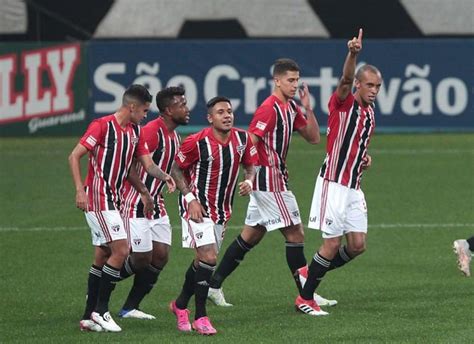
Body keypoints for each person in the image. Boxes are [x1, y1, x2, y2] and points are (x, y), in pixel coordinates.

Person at [207, 58, 335, 308]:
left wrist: (308, 109)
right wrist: (247, 176)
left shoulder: (291, 107)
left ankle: (213, 285)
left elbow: (314, 138)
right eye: (290, 80)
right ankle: (307, 294)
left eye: (297, 80)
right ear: (277, 81)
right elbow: (251, 142)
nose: (295, 84)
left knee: (251, 236)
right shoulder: (269, 108)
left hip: (276, 177)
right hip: (267, 179)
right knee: (296, 233)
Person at [68, 84, 175, 332]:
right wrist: (79, 189)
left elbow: (142, 166)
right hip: (97, 197)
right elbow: (74, 156)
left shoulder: (134, 132)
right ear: (132, 107)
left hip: (113, 200)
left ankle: (87, 317)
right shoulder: (102, 126)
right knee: (122, 249)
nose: (146, 115)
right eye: (145, 110)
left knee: (103, 254)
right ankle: (101, 311)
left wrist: (161, 179)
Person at [295, 28, 382, 316]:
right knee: (331, 243)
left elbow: (355, 146)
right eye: (369, 85)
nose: (373, 90)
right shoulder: (343, 104)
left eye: (377, 86)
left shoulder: (369, 113)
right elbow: (344, 79)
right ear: (357, 84)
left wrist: (364, 159)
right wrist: (353, 53)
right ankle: (305, 299)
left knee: (357, 246)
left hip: (354, 185)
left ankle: (310, 273)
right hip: (334, 183)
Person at [169, 96, 257, 335]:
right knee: (209, 257)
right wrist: (190, 199)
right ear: (210, 118)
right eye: (221, 112)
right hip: (196, 207)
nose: (227, 115)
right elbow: (176, 168)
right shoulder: (196, 142)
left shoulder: (242, 139)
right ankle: (201, 317)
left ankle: (179, 305)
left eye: (229, 111)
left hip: (221, 210)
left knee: (201, 262)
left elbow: (251, 164)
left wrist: (249, 180)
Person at [118, 86, 190, 320]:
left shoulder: (174, 136)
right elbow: (128, 166)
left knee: (160, 256)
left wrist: (188, 194)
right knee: (141, 258)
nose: (187, 109)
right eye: (182, 105)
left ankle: (130, 308)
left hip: (156, 201)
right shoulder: (151, 131)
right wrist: (143, 192)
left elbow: (171, 168)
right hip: (137, 200)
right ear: (168, 110)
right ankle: (100, 282)